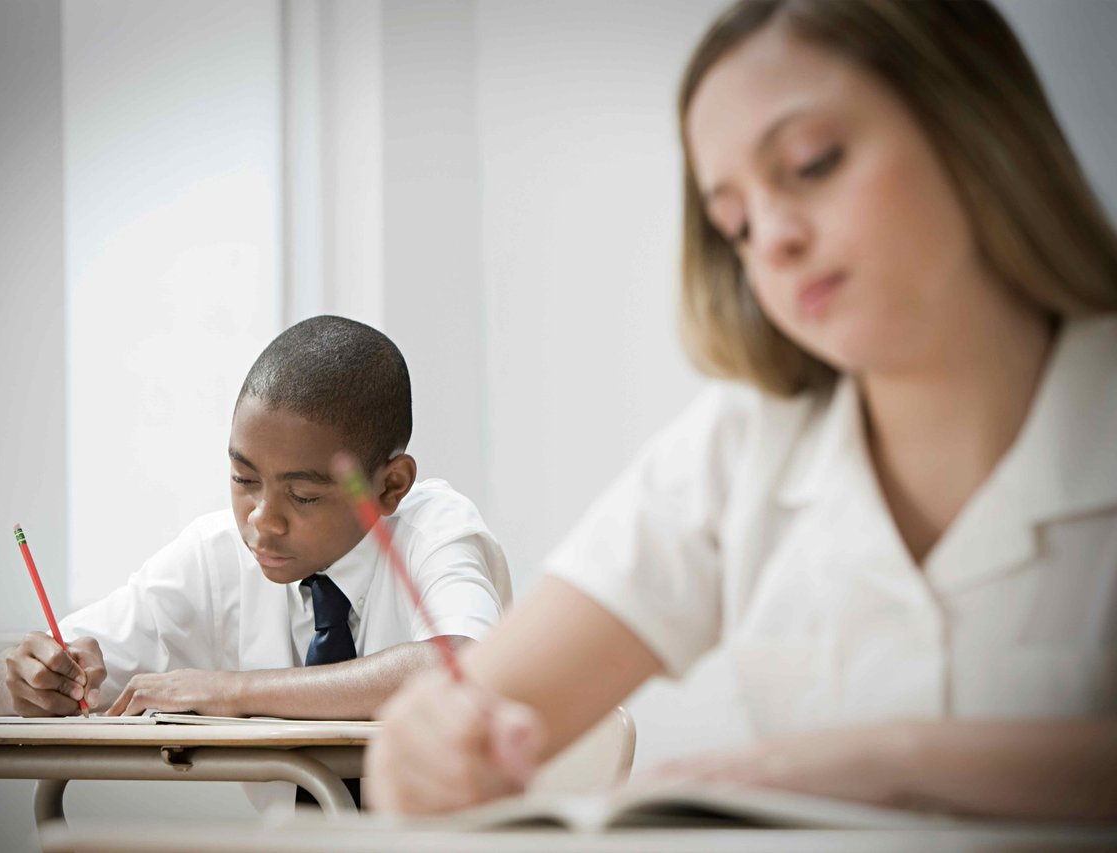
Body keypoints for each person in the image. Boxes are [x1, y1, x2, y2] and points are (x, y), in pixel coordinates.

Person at [367, 0, 1117, 822]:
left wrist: (873, 765)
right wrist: (423, 749)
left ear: (978, 126)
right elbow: (474, 713)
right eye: (737, 222)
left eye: (814, 162)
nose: (774, 241)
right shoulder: (741, 444)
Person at [0, 314, 510, 720]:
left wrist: (230, 689)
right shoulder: (215, 556)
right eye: (244, 480)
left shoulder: (434, 531)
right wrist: (27, 678)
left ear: (390, 486)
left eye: (303, 495)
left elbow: (463, 664)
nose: (262, 520)